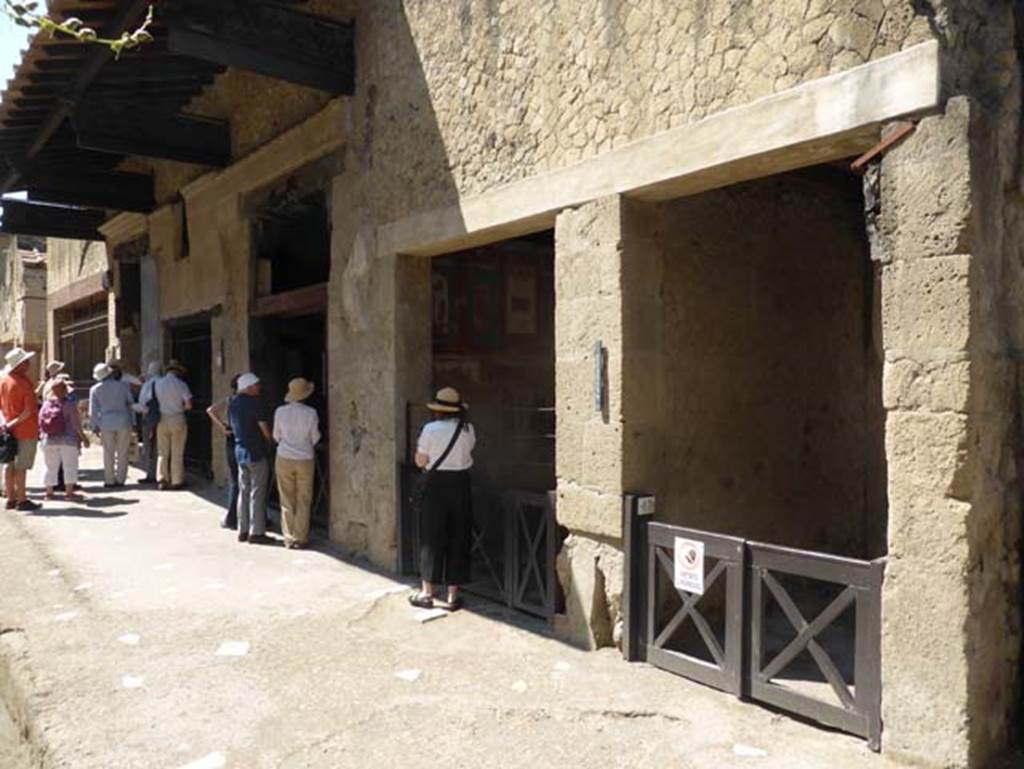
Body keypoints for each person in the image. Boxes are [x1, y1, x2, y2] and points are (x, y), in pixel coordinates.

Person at [409, 386, 476, 611]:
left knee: (431, 536)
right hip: (460, 484)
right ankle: (452, 596)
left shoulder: (430, 429)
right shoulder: (468, 429)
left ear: (439, 410)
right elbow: (469, 454)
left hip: (435, 485)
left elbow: (420, 461)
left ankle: (427, 592)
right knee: (458, 535)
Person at [272, 377, 321, 549]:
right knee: (304, 497)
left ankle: (288, 536)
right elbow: (314, 437)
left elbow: (276, 436)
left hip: (284, 456)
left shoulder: (280, 411)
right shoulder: (311, 413)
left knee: (286, 497)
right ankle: (300, 536)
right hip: (305, 458)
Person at [228, 372, 272, 544]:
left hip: (240, 450)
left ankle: (243, 529)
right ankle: (257, 531)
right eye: (256, 385)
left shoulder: (233, 403)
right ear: (248, 387)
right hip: (255, 451)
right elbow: (263, 427)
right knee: (258, 492)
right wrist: (270, 440)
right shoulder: (255, 403)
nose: (259, 387)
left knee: (244, 491)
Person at [140, 360, 192, 490]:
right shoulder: (181, 385)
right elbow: (188, 405)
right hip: (177, 418)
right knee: (177, 452)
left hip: (162, 419)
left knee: (162, 452)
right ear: (178, 372)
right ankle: (176, 480)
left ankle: (162, 479)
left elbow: (148, 401)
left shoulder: (156, 384)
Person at [0, 347, 41, 511]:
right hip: (24, 430)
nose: (29, 363)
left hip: (7, 431)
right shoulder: (24, 383)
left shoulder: (4, 381)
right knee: (21, 467)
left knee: (9, 465)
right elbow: (28, 411)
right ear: (19, 365)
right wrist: (12, 424)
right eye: (25, 361)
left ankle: (11, 497)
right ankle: (22, 499)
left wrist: (6, 424)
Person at [39, 377, 89, 501]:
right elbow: (76, 424)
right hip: (68, 440)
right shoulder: (69, 405)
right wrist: (83, 438)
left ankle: (49, 493)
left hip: (49, 440)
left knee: (50, 467)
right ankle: (69, 493)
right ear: (65, 390)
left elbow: (40, 422)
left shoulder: (46, 404)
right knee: (69, 466)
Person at [88, 362, 135, 488]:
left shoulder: (95, 389)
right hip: (123, 421)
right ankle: (121, 479)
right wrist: (134, 422)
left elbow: (93, 411)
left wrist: (94, 426)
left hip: (106, 422)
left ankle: (109, 480)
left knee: (108, 452)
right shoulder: (124, 386)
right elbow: (130, 404)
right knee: (123, 452)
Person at [207, 373, 241, 530]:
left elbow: (211, 410)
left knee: (235, 480)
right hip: (239, 438)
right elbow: (210, 410)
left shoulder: (229, 400)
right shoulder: (238, 401)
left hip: (231, 437)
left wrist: (222, 427)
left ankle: (232, 518)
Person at [135, 362, 162, 485]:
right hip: (165, 417)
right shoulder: (163, 382)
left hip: (150, 419)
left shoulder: (148, 385)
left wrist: (130, 406)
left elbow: (143, 405)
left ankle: (151, 475)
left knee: (150, 447)